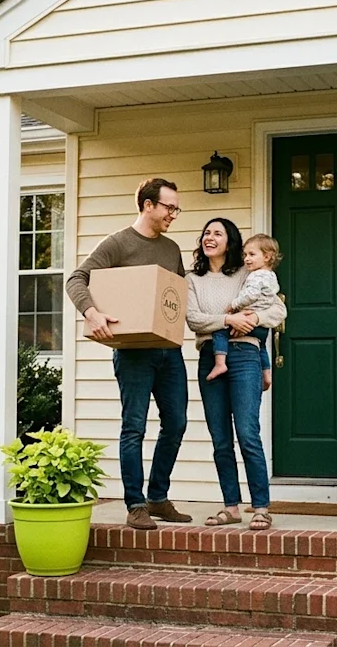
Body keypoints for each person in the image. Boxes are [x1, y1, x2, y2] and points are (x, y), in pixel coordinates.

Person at [64, 178, 194, 530]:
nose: (174, 214)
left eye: (176, 208)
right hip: (134, 352)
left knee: (177, 423)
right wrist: (92, 312)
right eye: (169, 207)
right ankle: (135, 503)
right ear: (148, 205)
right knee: (134, 426)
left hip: (168, 352)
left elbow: (175, 297)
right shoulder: (118, 243)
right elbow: (76, 279)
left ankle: (157, 496)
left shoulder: (171, 249)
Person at [185, 219, 287, 531]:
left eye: (217, 233)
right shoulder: (193, 279)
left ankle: (260, 507)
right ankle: (231, 506)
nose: (209, 237)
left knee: (247, 433)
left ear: (230, 241)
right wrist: (229, 318)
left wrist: (253, 317)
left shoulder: (249, 273)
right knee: (220, 439)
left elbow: (278, 311)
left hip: (245, 355)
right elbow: (193, 320)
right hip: (209, 358)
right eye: (206, 232)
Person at [205, 233, 282, 391]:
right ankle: (266, 375)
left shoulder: (255, 276)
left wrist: (234, 305)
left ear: (267, 257)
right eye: (245, 255)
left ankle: (220, 363)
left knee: (219, 329)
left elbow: (251, 295)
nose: (247, 259)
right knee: (261, 346)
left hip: (248, 316)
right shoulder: (271, 276)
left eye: (252, 255)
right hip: (259, 327)